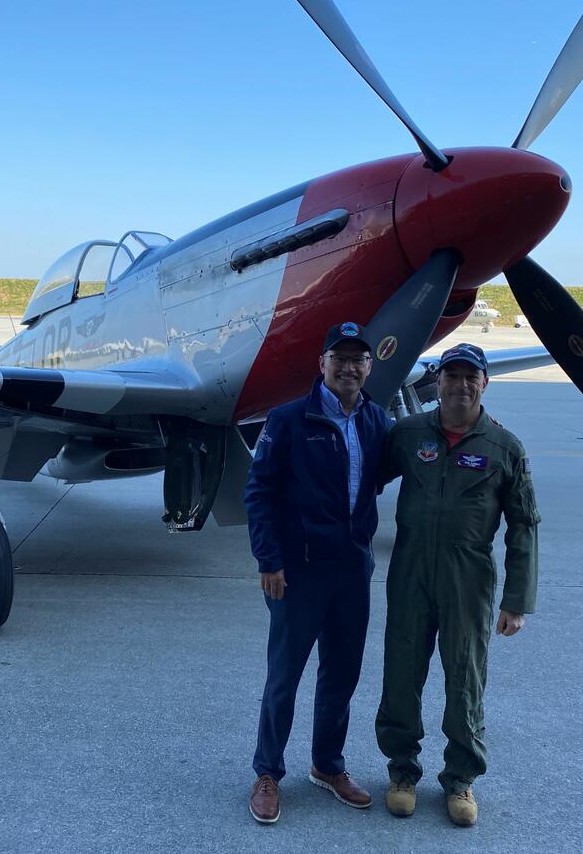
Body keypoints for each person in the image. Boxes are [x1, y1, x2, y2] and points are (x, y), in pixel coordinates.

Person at [374, 342, 539, 827]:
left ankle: (461, 778)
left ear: (484, 383)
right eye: (453, 376)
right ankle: (402, 772)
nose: (461, 385)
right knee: (402, 672)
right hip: (409, 573)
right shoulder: (407, 434)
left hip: (468, 579)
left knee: (464, 678)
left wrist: (516, 599)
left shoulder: (504, 447)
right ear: (438, 382)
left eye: (472, 377)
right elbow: (362, 483)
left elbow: (524, 525)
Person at [245, 321, 394, 825]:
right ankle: (267, 772)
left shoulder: (376, 420)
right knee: (284, 676)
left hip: (353, 570)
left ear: (369, 367)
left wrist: (486, 429)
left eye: (359, 359)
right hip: (299, 573)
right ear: (322, 363)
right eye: (340, 357)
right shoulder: (288, 420)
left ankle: (327, 765)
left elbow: (417, 456)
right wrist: (269, 560)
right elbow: (259, 492)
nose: (349, 367)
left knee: (342, 675)